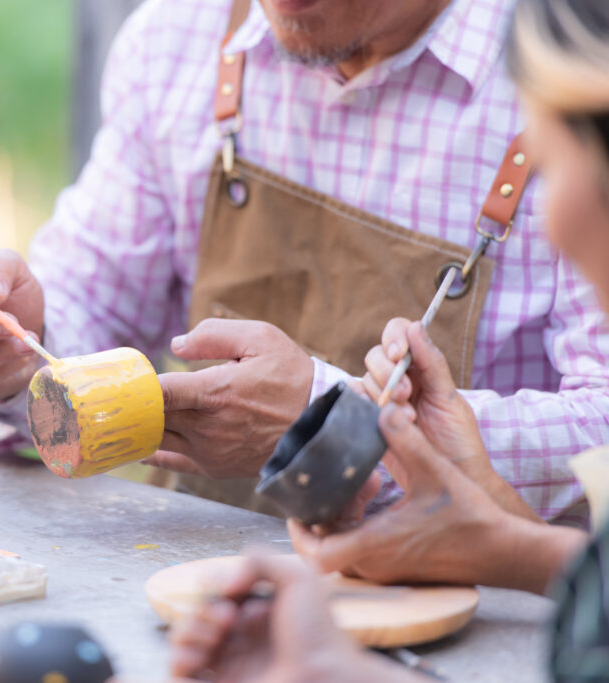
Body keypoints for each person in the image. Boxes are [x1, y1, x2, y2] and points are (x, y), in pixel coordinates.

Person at [0, 0, 609, 520]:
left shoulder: (575, 68)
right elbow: (90, 305)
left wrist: (333, 425)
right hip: (211, 597)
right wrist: (13, 356)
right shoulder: (179, 40)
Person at [170, 0, 609, 680]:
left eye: (553, 161)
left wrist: (327, 411)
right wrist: (500, 539)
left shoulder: (547, 54)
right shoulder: (184, 38)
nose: (548, 226)